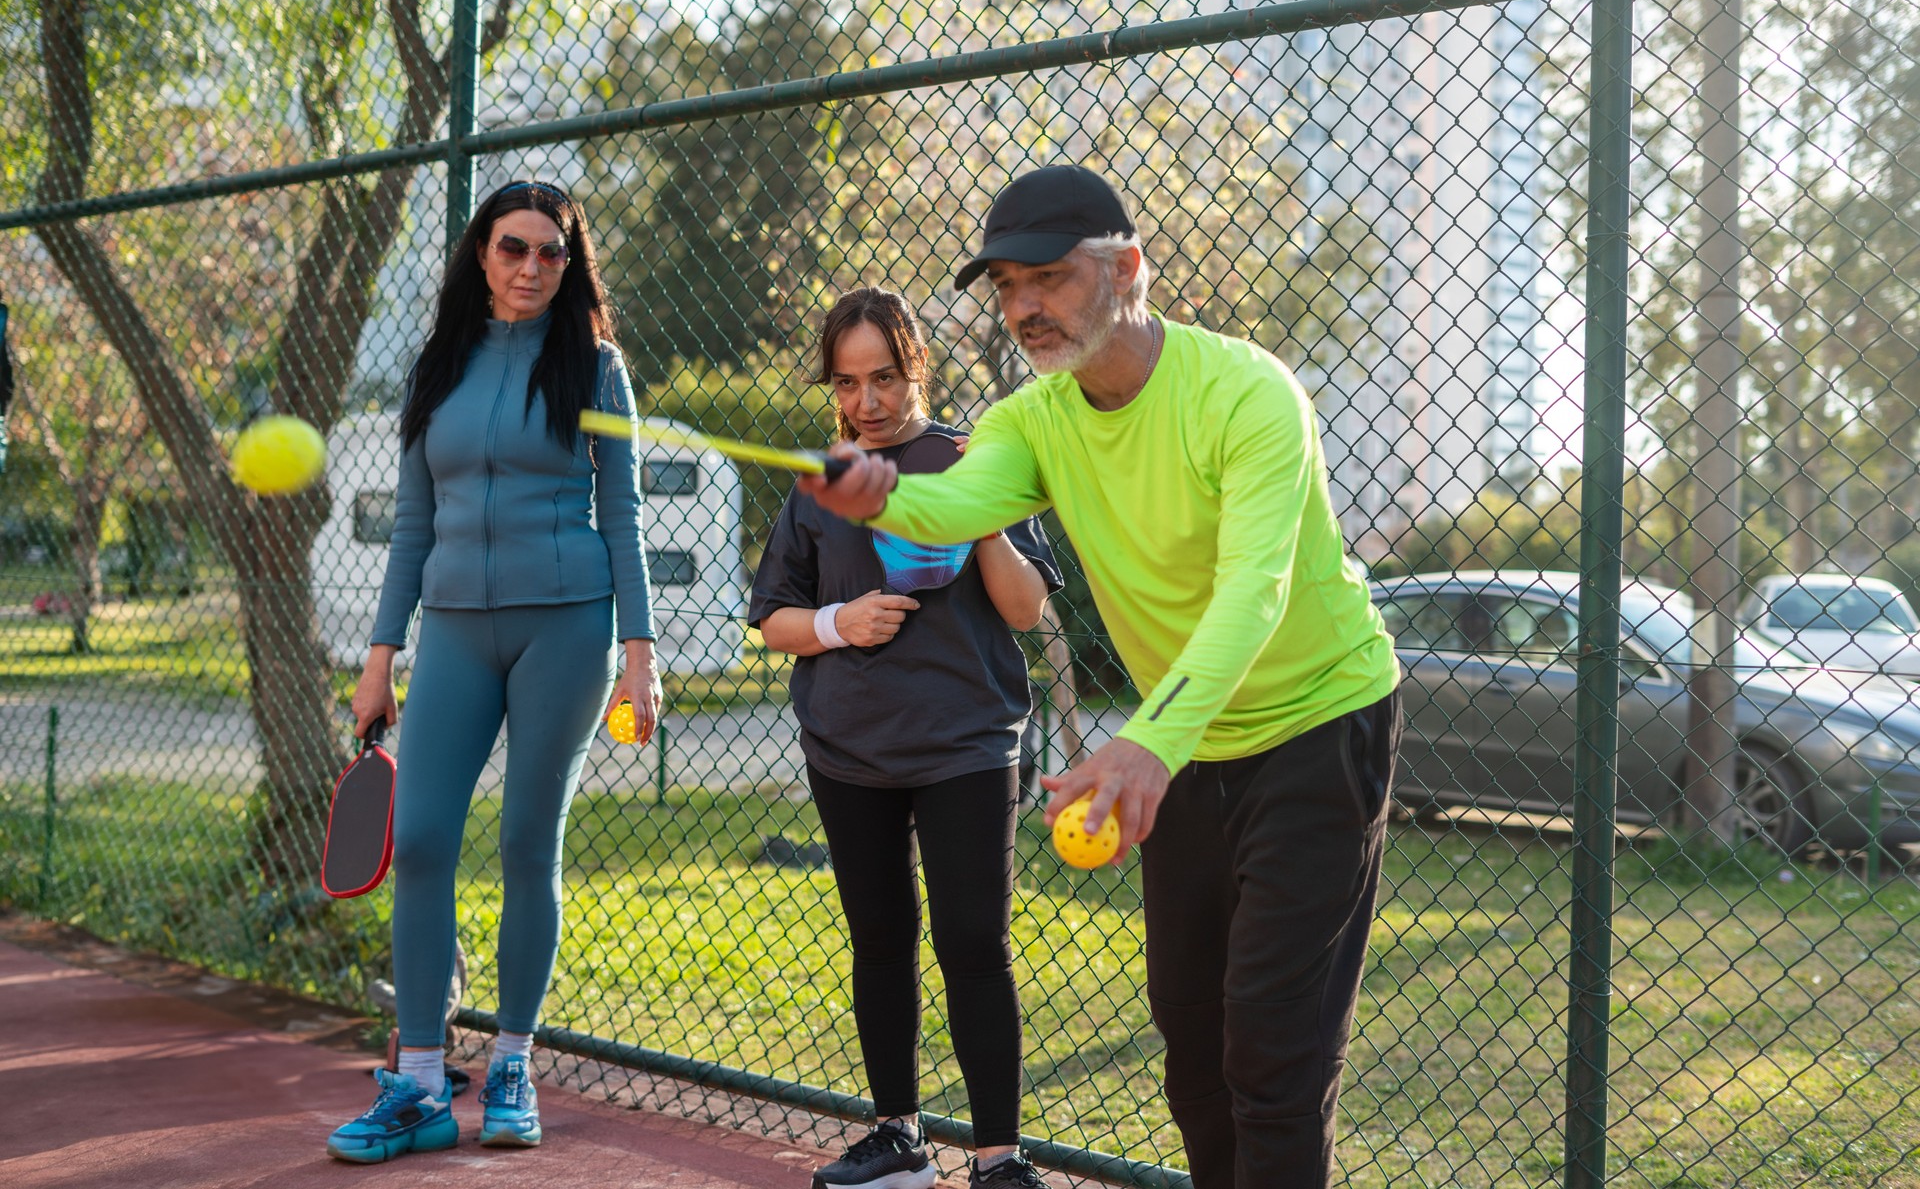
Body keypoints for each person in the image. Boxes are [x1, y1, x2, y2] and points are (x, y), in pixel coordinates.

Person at [801, 167, 1401, 1189]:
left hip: (1314, 727)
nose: (1025, 307)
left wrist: (1144, 745)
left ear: (1126, 268)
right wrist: (880, 497)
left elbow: (1250, 595)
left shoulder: (1249, 393)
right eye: (1004, 287)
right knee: (1195, 1052)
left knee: (1272, 1049)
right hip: (1182, 745)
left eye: (1048, 278)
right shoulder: (1032, 422)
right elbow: (957, 506)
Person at [327, 180, 661, 1163]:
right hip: (456, 634)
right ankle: (421, 1084)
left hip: (566, 628)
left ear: (570, 264)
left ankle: (512, 1060)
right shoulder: (440, 366)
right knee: (423, 839)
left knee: (526, 839)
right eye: (511, 248)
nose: (529, 267)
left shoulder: (595, 370)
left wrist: (641, 660)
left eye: (549, 254)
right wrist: (379, 658)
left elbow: (625, 520)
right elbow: (411, 529)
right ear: (481, 255)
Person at [750, 287, 1065, 1189]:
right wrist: (840, 622)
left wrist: (978, 511)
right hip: (848, 749)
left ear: (915, 367)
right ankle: (899, 1140)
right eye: (848, 383)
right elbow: (773, 617)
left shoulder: (972, 456)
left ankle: (1000, 1159)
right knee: (880, 938)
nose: (868, 402)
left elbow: (1025, 607)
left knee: (975, 943)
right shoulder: (825, 478)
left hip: (967, 743)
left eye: (884, 377)